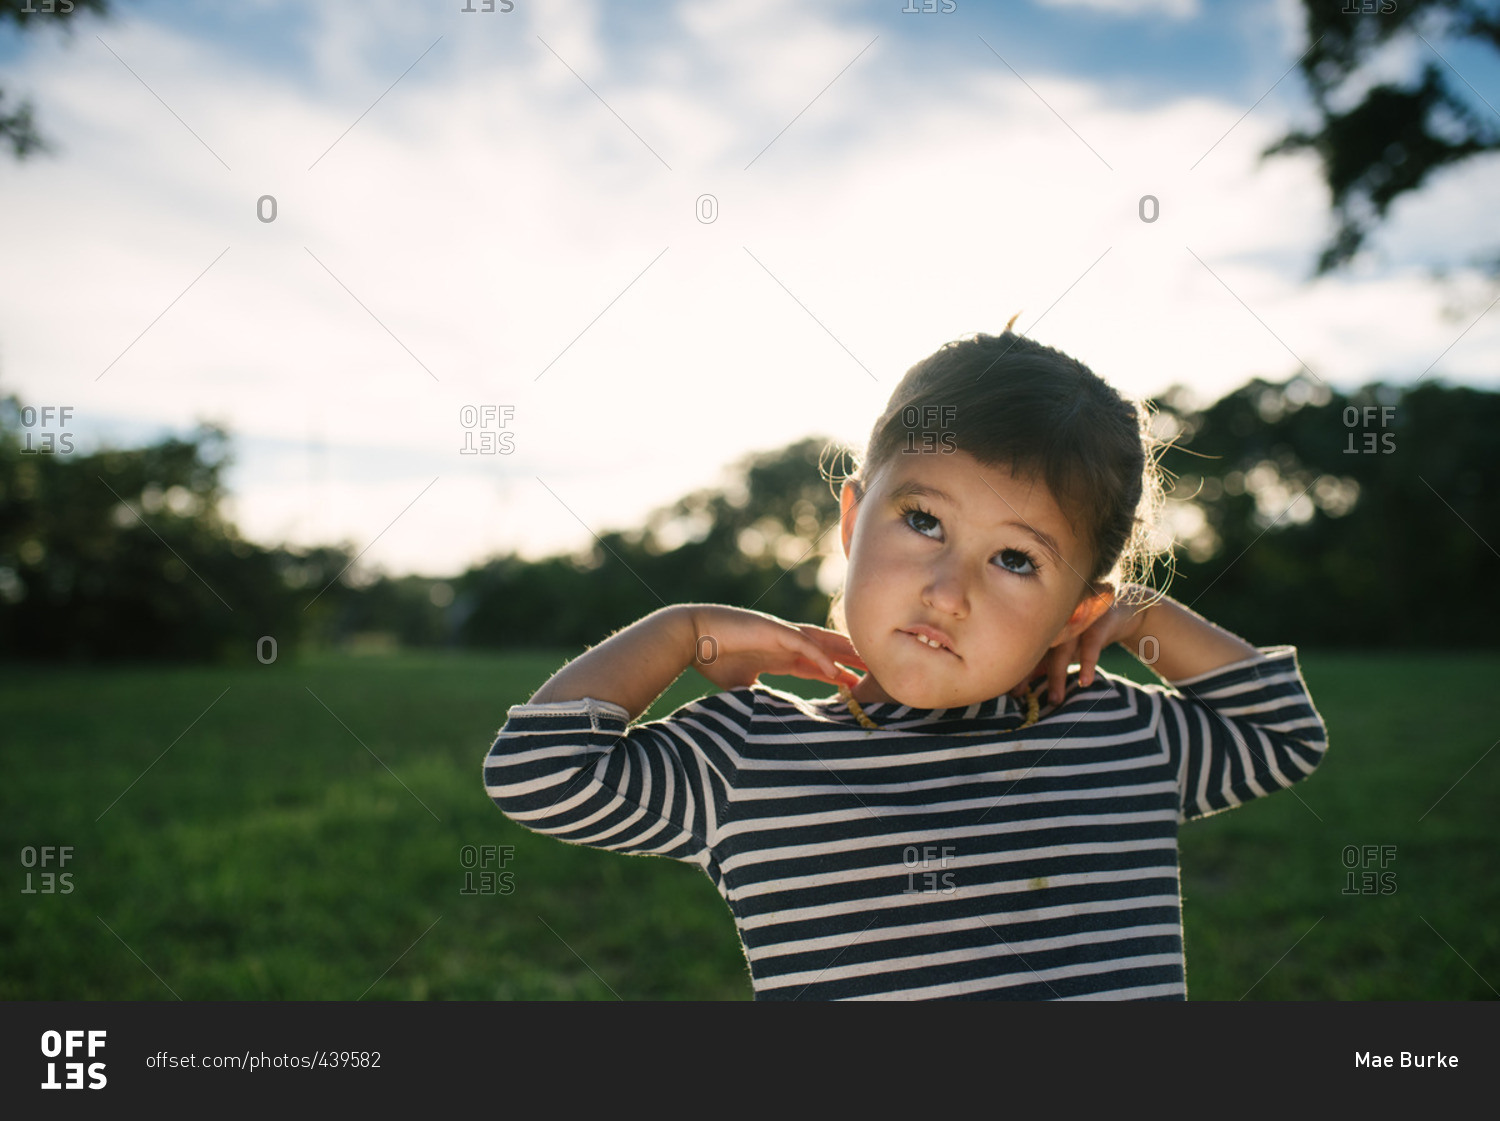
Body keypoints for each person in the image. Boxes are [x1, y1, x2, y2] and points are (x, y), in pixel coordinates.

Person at [482, 321, 1329, 1000]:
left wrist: (1137, 619)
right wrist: (681, 629)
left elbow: (1287, 734)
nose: (948, 591)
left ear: (1076, 609)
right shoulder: (750, 756)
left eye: (1016, 560)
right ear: (852, 522)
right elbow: (536, 770)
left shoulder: (1115, 731)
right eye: (924, 521)